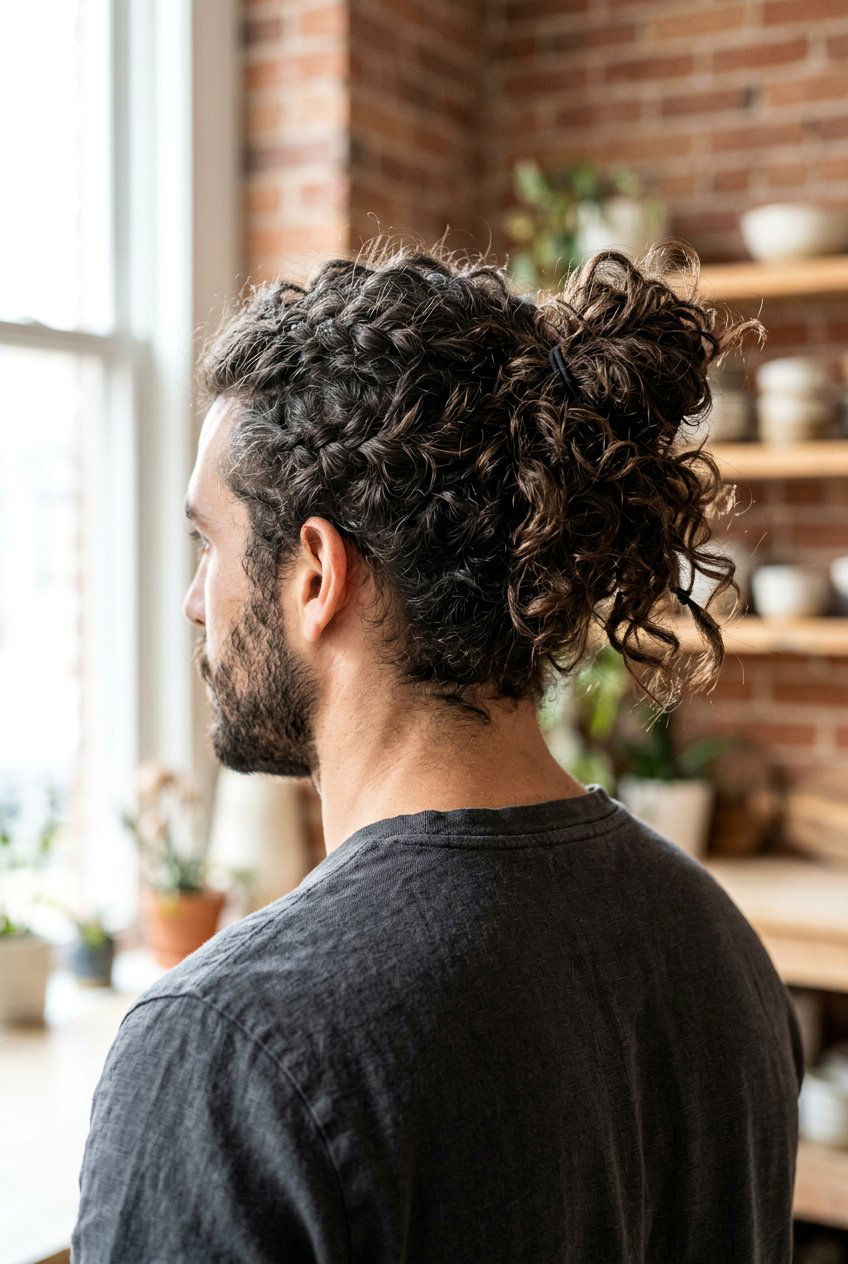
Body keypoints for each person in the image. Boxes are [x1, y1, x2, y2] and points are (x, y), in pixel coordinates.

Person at [72, 238, 802, 1263]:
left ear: (316, 575)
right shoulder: (715, 946)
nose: (197, 600)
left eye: (210, 544)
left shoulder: (222, 1049)